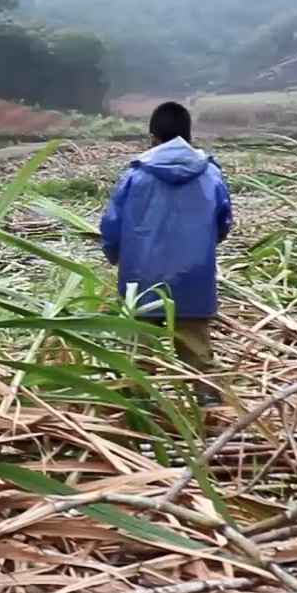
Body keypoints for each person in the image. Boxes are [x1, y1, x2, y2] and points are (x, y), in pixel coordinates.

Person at [98, 101, 233, 404]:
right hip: (194, 282)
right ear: (188, 135)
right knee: (200, 363)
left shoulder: (135, 175)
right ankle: (212, 424)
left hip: (141, 282)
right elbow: (223, 224)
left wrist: (118, 258)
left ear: (153, 137)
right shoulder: (210, 174)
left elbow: (111, 228)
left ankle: (137, 427)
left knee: (137, 366)